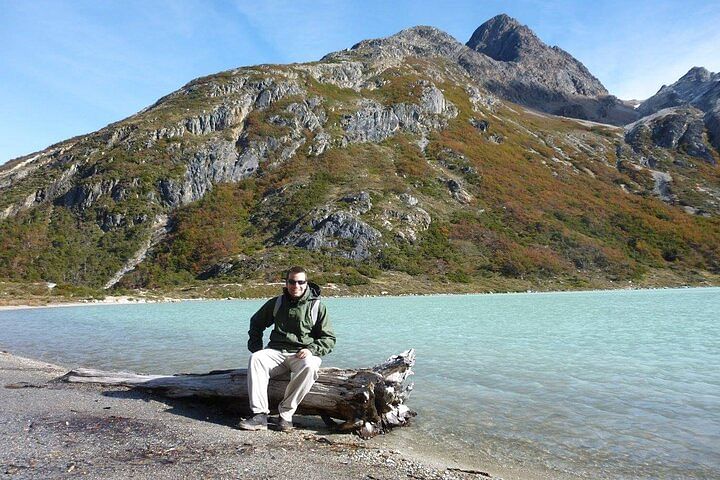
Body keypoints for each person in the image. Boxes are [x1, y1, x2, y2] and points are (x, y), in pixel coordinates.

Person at [238, 266, 336, 432]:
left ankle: (286, 415)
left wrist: (312, 349)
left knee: (311, 366)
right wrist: (256, 347)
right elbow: (256, 323)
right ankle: (259, 415)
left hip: (301, 354)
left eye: (300, 282)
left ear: (306, 283)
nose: (296, 285)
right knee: (256, 359)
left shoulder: (317, 307)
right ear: (286, 282)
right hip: (276, 352)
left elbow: (329, 339)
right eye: (292, 281)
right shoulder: (276, 303)